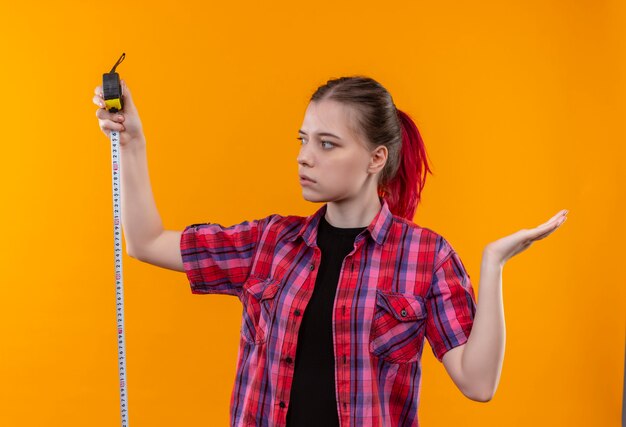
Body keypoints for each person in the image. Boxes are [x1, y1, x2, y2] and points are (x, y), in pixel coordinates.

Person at [93, 76, 567, 427]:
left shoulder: (426, 257)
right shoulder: (270, 244)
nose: (304, 156)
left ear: (375, 159)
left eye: (326, 144)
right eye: (303, 140)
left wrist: (492, 265)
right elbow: (147, 242)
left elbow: (478, 384)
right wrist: (133, 141)